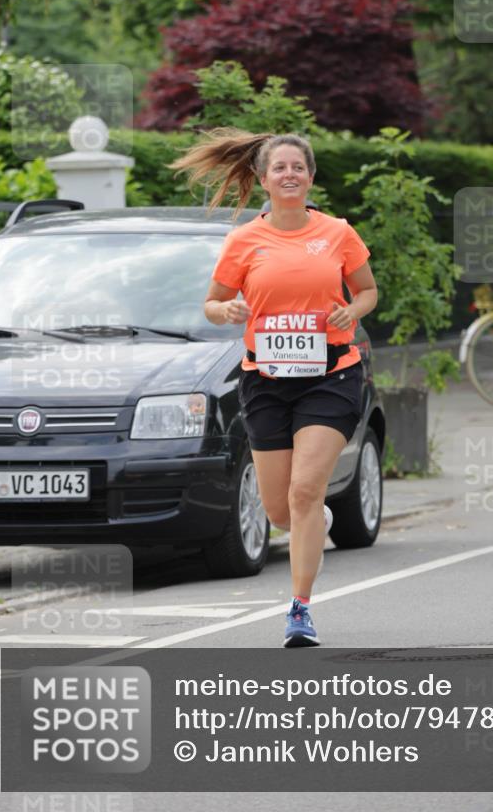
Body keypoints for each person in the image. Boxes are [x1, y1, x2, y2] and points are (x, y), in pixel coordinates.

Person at [170, 129, 378, 645]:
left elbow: (368, 290)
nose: (289, 175)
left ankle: (299, 610)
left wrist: (351, 309)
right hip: (266, 380)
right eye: (279, 168)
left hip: (331, 374)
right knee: (279, 509)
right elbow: (213, 303)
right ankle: (313, 519)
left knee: (304, 491)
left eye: (298, 167)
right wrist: (229, 309)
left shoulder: (337, 233)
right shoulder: (244, 240)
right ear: (263, 179)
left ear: (310, 177)